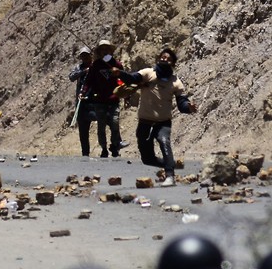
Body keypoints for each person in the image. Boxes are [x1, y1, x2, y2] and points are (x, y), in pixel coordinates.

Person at [112, 48, 196, 187]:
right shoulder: (148, 73)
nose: (165, 60)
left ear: (173, 64)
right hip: (145, 122)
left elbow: (182, 103)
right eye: (163, 57)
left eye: (168, 59)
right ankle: (171, 164)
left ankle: (170, 177)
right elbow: (132, 78)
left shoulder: (176, 82)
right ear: (158, 59)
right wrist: (119, 73)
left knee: (164, 141)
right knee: (147, 159)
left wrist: (189, 108)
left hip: (163, 122)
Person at [81, 40, 124, 158]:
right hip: (99, 101)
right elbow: (88, 82)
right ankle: (104, 148)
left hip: (114, 100)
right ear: (100, 52)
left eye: (107, 49)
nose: (105, 51)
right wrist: (83, 92)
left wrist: (126, 94)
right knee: (101, 126)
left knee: (115, 123)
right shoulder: (95, 66)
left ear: (111, 51)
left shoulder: (117, 65)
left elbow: (123, 81)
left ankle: (115, 145)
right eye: (103, 49)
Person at [68, 46, 96, 157]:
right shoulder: (79, 68)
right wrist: (84, 71)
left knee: (103, 123)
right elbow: (71, 77)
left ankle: (108, 148)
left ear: (91, 55)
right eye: (82, 56)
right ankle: (85, 154)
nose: (84, 58)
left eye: (86, 55)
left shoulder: (95, 67)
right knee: (83, 132)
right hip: (81, 104)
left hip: (94, 102)